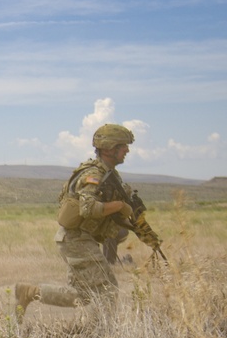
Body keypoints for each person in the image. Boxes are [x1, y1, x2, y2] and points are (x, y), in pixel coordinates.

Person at [14, 124, 147, 317]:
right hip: (77, 240)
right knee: (107, 288)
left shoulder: (109, 174)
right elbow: (87, 208)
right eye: (123, 146)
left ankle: (29, 293)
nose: (127, 150)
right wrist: (119, 206)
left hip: (76, 239)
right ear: (110, 148)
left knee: (83, 295)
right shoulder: (93, 175)